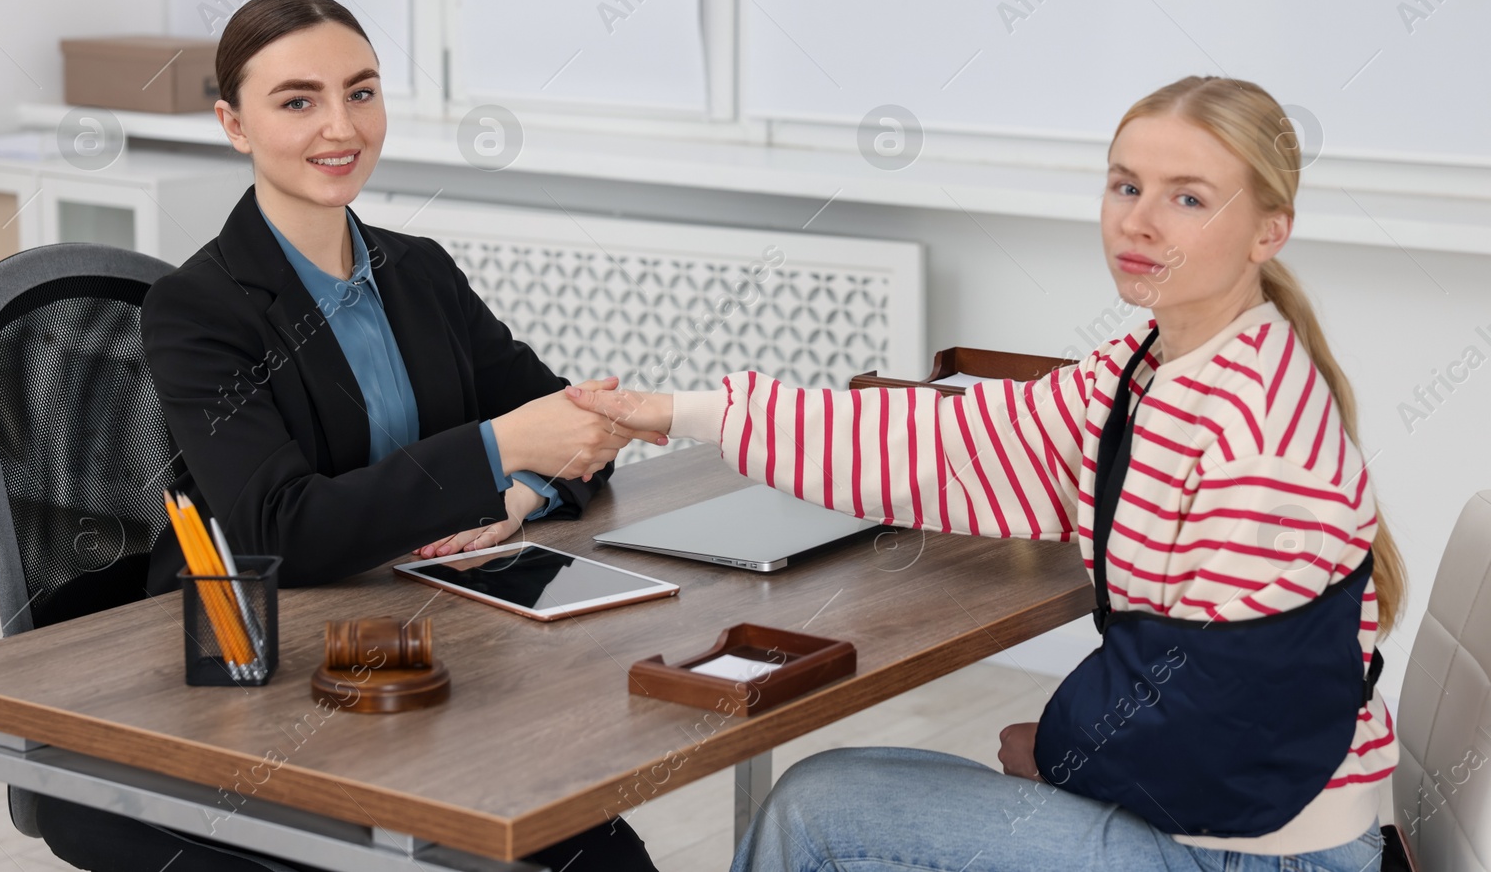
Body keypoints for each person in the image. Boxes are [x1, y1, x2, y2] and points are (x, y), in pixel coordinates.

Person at [567, 75, 1404, 871]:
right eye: (1125, 186)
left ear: (1269, 229)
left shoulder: (1255, 440)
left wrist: (1060, 755)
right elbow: (955, 438)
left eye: (1187, 197)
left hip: (1258, 846)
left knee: (816, 812)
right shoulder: (1149, 368)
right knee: (840, 788)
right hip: (1223, 813)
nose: (1140, 222)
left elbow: (1223, 714)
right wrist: (688, 413)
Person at [32, 0, 664, 872]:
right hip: (262, 683)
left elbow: (564, 421)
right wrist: (502, 448)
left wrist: (519, 491)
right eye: (298, 101)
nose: (341, 126)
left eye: (361, 92)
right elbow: (283, 530)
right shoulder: (199, 310)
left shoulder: (418, 270)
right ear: (234, 123)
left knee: (592, 842)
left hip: (420, 644)